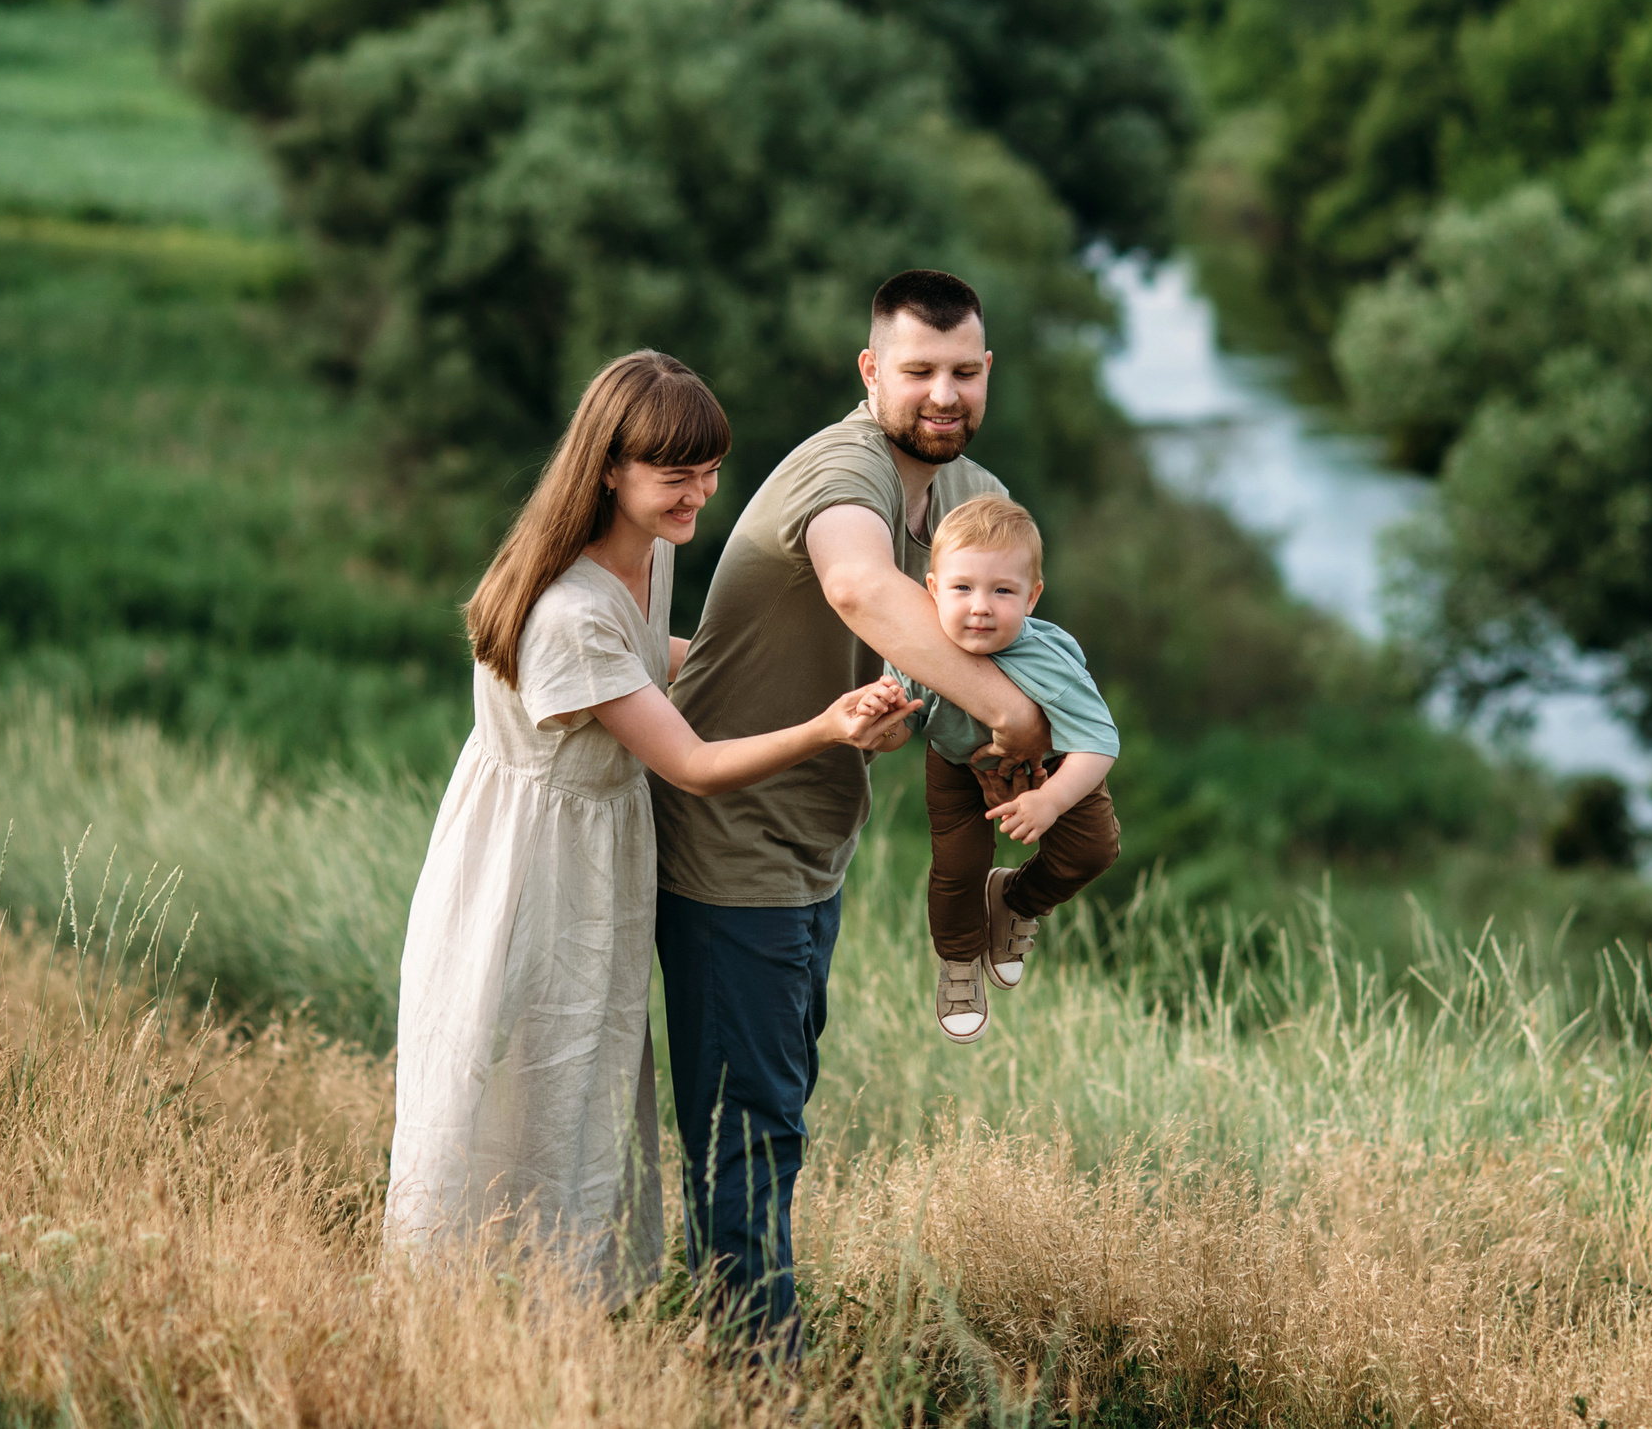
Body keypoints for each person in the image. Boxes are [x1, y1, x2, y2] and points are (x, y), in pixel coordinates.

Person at [384, 350, 908, 1299]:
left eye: (710, 470)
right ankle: (476, 1312)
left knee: (582, 1091)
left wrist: (801, 679)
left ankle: (560, 1312)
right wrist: (828, 724)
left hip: (596, 850)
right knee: (521, 1084)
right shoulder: (568, 610)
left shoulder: (648, 555)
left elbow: (672, 662)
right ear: (611, 468)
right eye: (678, 474)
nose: (700, 493)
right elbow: (694, 766)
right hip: (532, 868)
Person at [652, 269, 1053, 1346]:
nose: (942, 394)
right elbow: (860, 589)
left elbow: (998, 619)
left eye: (963, 372)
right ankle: (752, 1381)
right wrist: (1005, 711)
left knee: (769, 1120)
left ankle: (732, 1349)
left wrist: (1033, 751)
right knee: (750, 1132)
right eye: (917, 371)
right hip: (731, 841)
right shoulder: (845, 470)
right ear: (872, 371)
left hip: (810, 843)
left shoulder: (966, 488)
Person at [883, 494, 1122, 1044]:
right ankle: (960, 962)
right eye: (963, 588)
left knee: (1093, 850)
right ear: (933, 589)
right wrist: (884, 718)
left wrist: (1052, 800)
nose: (981, 607)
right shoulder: (920, 650)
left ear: (1032, 597)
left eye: (1003, 591)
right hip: (956, 762)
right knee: (957, 867)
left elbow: (1100, 742)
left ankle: (1016, 900)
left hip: (1056, 766)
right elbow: (899, 734)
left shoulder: (1046, 662)